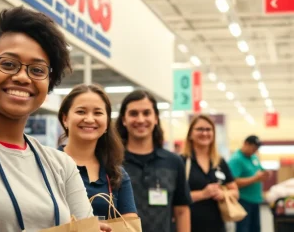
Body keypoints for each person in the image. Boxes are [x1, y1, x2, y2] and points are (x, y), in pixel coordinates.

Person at [0, 6, 110, 232]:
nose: (21, 77)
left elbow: (86, 229)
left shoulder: (60, 165)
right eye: (8, 64)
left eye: (37, 70)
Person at [57, 84, 137, 219]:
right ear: (65, 119)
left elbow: (130, 225)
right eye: (81, 112)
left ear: (106, 123)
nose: (89, 119)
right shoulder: (48, 166)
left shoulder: (116, 174)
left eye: (98, 113)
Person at [116, 90, 191, 232]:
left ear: (156, 118)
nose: (140, 119)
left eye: (146, 113)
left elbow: (181, 210)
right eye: (133, 114)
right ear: (124, 120)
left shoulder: (174, 162)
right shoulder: (113, 161)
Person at [182, 114, 239, 232]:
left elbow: (235, 192)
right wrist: (203, 194)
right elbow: (175, 197)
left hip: (218, 225)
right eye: (200, 129)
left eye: (208, 129)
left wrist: (223, 194)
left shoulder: (219, 162)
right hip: (189, 225)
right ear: (190, 134)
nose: (204, 133)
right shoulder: (181, 161)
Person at [229, 135, 269, 232]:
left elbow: (259, 170)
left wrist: (265, 174)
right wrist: (255, 178)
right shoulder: (236, 159)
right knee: (244, 229)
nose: (255, 151)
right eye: (253, 148)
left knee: (255, 228)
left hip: (255, 199)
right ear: (246, 144)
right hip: (243, 200)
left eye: (257, 149)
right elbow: (233, 182)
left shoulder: (253, 157)